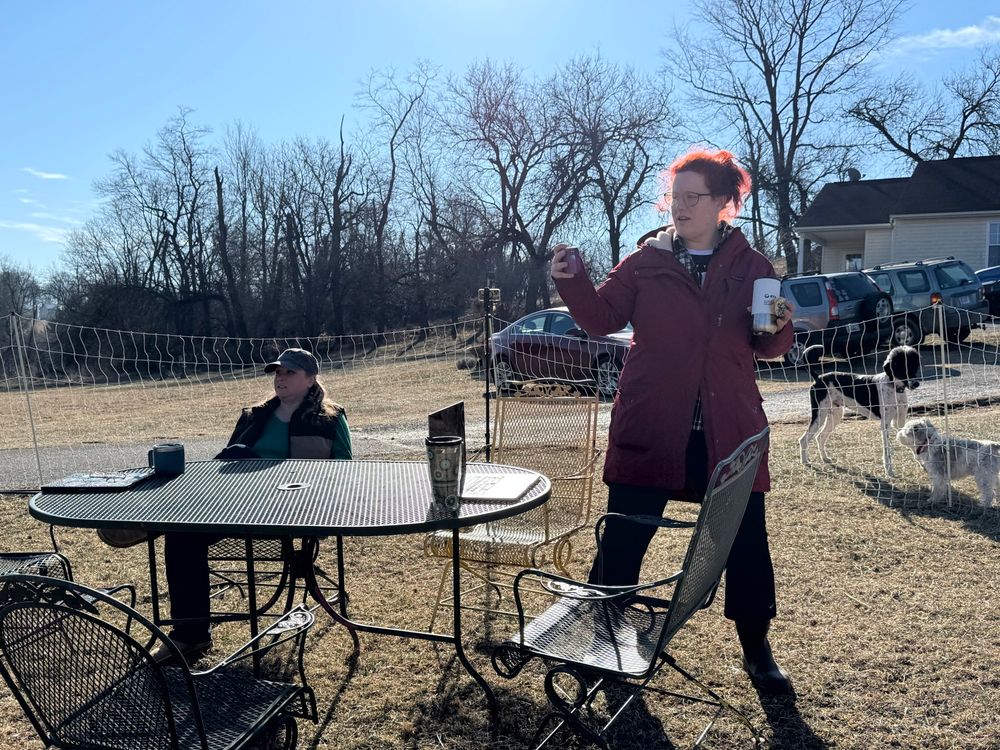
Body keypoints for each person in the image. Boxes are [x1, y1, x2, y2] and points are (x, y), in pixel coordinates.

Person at [549, 148, 795, 694]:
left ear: (725, 203)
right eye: (674, 196)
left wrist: (779, 324)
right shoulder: (646, 261)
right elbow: (600, 318)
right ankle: (605, 640)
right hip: (651, 425)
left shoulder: (754, 268)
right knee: (623, 540)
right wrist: (572, 281)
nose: (679, 207)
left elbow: (771, 345)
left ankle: (757, 649)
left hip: (727, 432)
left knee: (745, 542)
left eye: (693, 197)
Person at [155, 347, 352, 660]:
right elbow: (225, 466)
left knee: (190, 524)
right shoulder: (254, 415)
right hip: (237, 507)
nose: (280, 378)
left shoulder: (329, 419)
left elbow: (345, 471)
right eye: (277, 372)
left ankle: (149, 525)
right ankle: (189, 636)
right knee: (181, 535)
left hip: (294, 513)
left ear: (311, 379)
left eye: (289, 372)